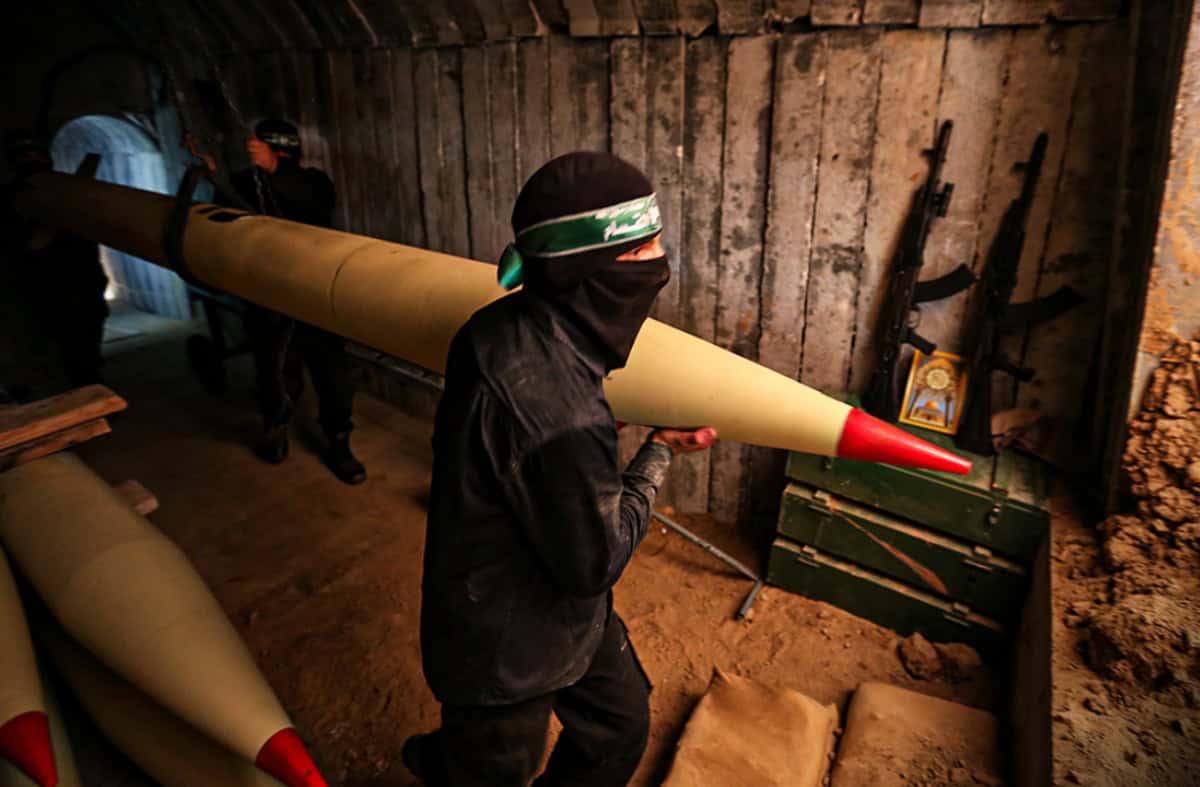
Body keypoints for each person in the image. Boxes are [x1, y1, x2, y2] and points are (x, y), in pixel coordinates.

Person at [404, 152, 717, 786]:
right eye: (643, 251)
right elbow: (596, 562)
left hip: (553, 613)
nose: (661, 264)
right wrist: (658, 451)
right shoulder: (564, 417)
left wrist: (576, 449)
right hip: (506, 644)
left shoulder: (492, 327)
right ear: (587, 270)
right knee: (493, 772)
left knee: (618, 725)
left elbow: (512, 446)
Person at [189, 119, 366, 485]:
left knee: (333, 376)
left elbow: (312, 205)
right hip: (267, 296)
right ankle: (276, 427)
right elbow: (226, 221)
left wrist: (273, 169)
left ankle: (339, 442)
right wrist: (213, 172)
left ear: (282, 151)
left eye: (265, 147)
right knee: (275, 371)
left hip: (316, 296)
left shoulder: (315, 182)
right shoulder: (243, 183)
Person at [1, 130, 108, 390]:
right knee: (46, 353)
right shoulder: (11, 198)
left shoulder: (68, 191)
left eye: (36, 154)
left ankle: (89, 388)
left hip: (82, 283)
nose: (32, 160)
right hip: (38, 288)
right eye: (25, 156)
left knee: (85, 349)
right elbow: (19, 245)